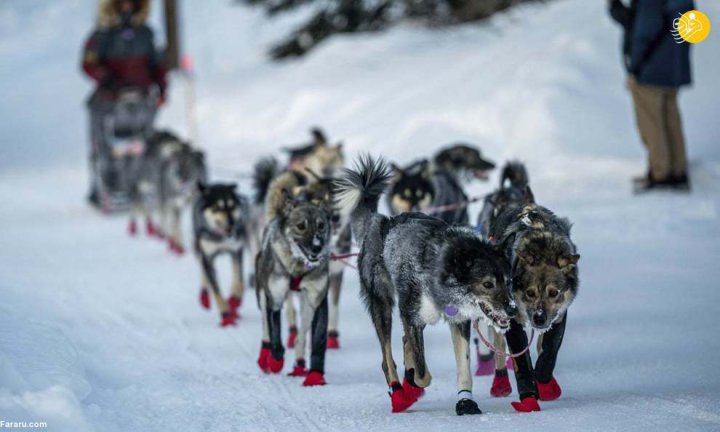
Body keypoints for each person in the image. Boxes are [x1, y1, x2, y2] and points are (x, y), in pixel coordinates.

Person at [81, 0, 167, 205]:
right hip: (110, 99)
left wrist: (162, 88)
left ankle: (143, 184)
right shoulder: (101, 35)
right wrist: (105, 77)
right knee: (106, 145)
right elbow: (88, 64)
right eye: (121, 3)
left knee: (144, 143)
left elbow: (158, 65)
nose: (127, 6)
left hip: (142, 97)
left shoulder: (146, 33)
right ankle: (106, 187)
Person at [609, 0, 693, 192]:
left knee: (652, 125)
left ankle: (660, 174)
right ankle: (677, 172)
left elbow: (645, 31)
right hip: (673, 68)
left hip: (650, 71)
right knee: (670, 121)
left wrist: (635, 67)